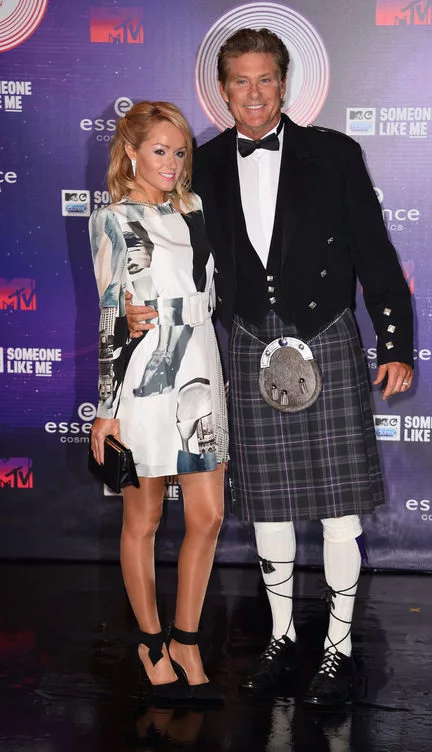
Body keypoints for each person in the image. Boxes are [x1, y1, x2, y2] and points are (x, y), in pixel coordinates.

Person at [126, 29, 414, 706]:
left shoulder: (335, 154)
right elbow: (169, 248)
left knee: (340, 509)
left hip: (327, 334)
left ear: (283, 84)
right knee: (269, 508)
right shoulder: (201, 163)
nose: (253, 94)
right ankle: (282, 638)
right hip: (250, 339)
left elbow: (374, 250)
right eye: (240, 81)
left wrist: (395, 343)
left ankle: (339, 649)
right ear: (222, 90)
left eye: (265, 79)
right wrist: (135, 309)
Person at [89, 101, 228, 704]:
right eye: (159, 150)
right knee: (143, 518)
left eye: (179, 151)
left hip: (200, 359)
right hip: (144, 373)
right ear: (131, 152)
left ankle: (187, 640)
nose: (171, 162)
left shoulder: (195, 209)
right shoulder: (112, 220)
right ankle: (151, 642)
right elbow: (109, 317)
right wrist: (106, 408)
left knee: (209, 515)